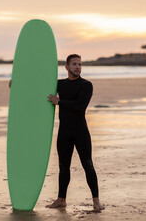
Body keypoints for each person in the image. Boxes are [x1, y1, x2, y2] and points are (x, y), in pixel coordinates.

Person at [46, 54, 104, 211]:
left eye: (79, 64)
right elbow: (39, 87)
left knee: (88, 165)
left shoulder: (86, 85)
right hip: (64, 132)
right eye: (74, 64)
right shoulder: (60, 84)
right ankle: (61, 199)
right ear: (66, 67)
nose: (78, 67)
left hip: (80, 132)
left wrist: (59, 101)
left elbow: (80, 106)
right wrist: (17, 85)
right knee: (63, 167)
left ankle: (96, 201)